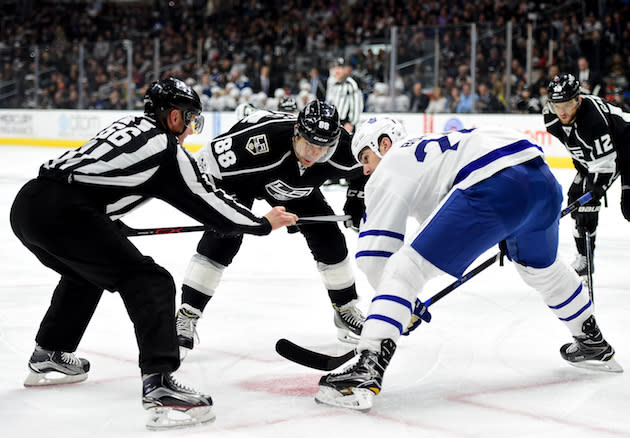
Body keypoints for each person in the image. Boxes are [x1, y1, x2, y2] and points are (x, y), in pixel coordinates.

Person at [10, 77, 297, 429]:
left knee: (85, 273)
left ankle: (49, 353)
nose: (191, 128)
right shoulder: (164, 147)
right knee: (151, 281)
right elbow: (206, 201)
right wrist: (261, 223)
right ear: (174, 116)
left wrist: (104, 222)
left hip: (29, 205)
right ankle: (159, 384)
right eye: (190, 119)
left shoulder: (130, 126)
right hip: (67, 213)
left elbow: (96, 177)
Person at [314, 117, 623, 412]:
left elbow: (375, 259)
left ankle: (366, 369)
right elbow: (443, 232)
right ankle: (591, 341)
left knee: (403, 270)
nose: (365, 170)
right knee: (543, 269)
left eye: (365, 158)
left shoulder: (391, 164)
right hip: (542, 180)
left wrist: (403, 305)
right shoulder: (433, 153)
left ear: (384, 144)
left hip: (493, 185)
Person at [175, 100, 369, 358]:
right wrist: (212, 210)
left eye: (323, 149)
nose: (313, 154)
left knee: (330, 239)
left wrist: (356, 200)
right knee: (223, 239)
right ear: (296, 133)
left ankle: (345, 308)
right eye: (308, 144)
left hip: (295, 185)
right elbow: (204, 164)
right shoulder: (259, 141)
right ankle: (187, 313)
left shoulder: (346, 149)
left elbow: (369, 167)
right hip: (241, 179)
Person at [543, 73, 630, 277]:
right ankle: (584, 258)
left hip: (627, 145)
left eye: (568, 104)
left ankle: (586, 256)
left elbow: (607, 163)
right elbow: (579, 149)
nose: (562, 112)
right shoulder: (551, 117)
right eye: (557, 106)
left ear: (578, 99)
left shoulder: (593, 120)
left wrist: (596, 189)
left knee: (628, 207)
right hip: (601, 156)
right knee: (577, 200)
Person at [326, 58, 363, 134]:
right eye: (335, 68)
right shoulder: (334, 84)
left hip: (346, 123)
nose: (337, 71)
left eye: (339, 68)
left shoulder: (351, 84)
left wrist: (351, 123)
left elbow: (357, 105)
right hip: (334, 122)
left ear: (345, 69)